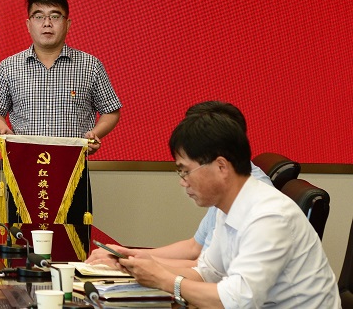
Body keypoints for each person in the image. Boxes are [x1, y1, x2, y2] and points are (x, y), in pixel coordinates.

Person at [121, 111, 340, 308]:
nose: (183, 181)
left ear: (221, 167)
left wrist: (164, 280)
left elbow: (236, 301)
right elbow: (208, 273)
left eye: (185, 171)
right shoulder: (228, 207)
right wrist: (137, 266)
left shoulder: (269, 216)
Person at [0, 0, 121, 222]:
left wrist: (94, 134)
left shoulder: (90, 66)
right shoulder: (9, 67)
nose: (47, 23)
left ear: (68, 23)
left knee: (73, 238)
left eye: (55, 16)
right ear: (28, 24)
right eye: (39, 16)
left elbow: (111, 111)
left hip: (72, 172)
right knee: (23, 240)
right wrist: (3, 130)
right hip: (23, 172)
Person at [86, 101, 271, 269]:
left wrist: (129, 263)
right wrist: (130, 256)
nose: (183, 182)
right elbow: (195, 248)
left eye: (186, 170)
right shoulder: (228, 193)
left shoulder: (255, 205)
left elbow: (209, 273)